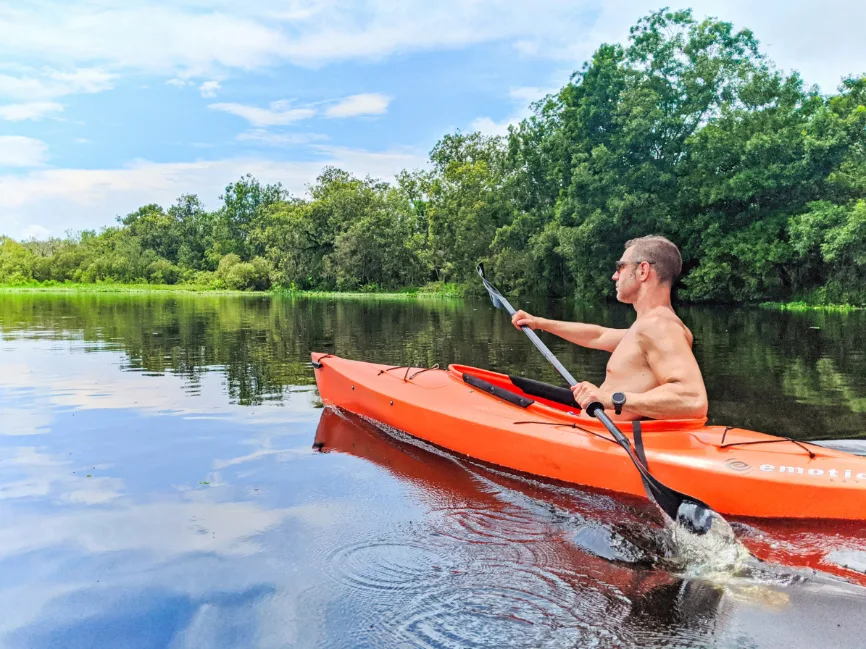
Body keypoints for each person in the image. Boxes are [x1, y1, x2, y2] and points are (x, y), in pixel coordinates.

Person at [511, 235, 708, 421]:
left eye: (620, 267)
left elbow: (692, 399)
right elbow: (598, 335)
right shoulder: (646, 326)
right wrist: (538, 323)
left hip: (604, 441)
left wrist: (611, 399)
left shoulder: (660, 326)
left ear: (643, 271)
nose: (614, 276)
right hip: (595, 432)